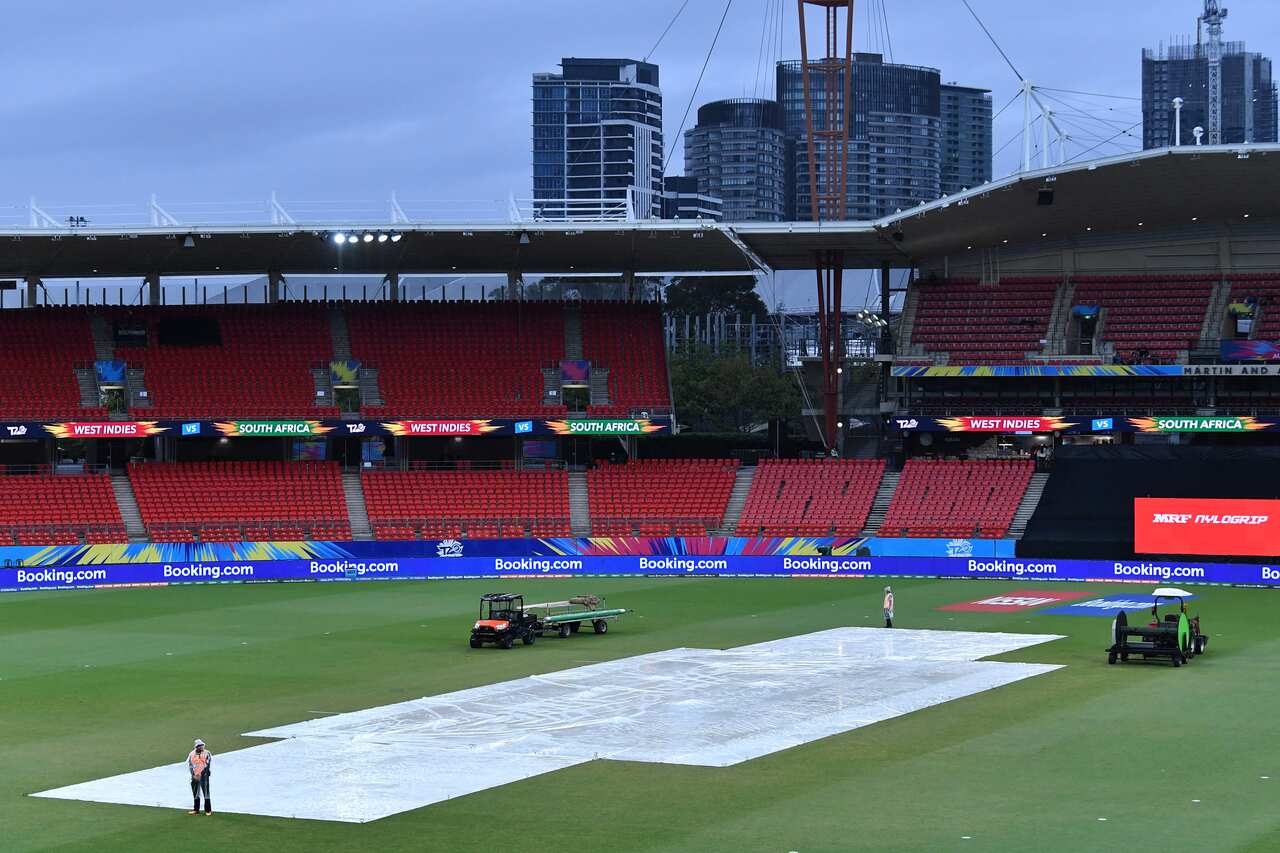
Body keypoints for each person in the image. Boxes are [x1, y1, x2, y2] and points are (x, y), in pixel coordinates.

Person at [187, 739, 212, 815]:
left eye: (202, 745)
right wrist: (193, 775)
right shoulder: (191, 754)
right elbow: (190, 765)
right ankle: (196, 809)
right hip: (195, 776)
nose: (202, 747)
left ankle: (208, 810)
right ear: (197, 747)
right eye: (200, 746)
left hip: (204, 775)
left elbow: (208, 764)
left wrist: (203, 773)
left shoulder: (207, 753)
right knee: (196, 793)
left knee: (206, 793)